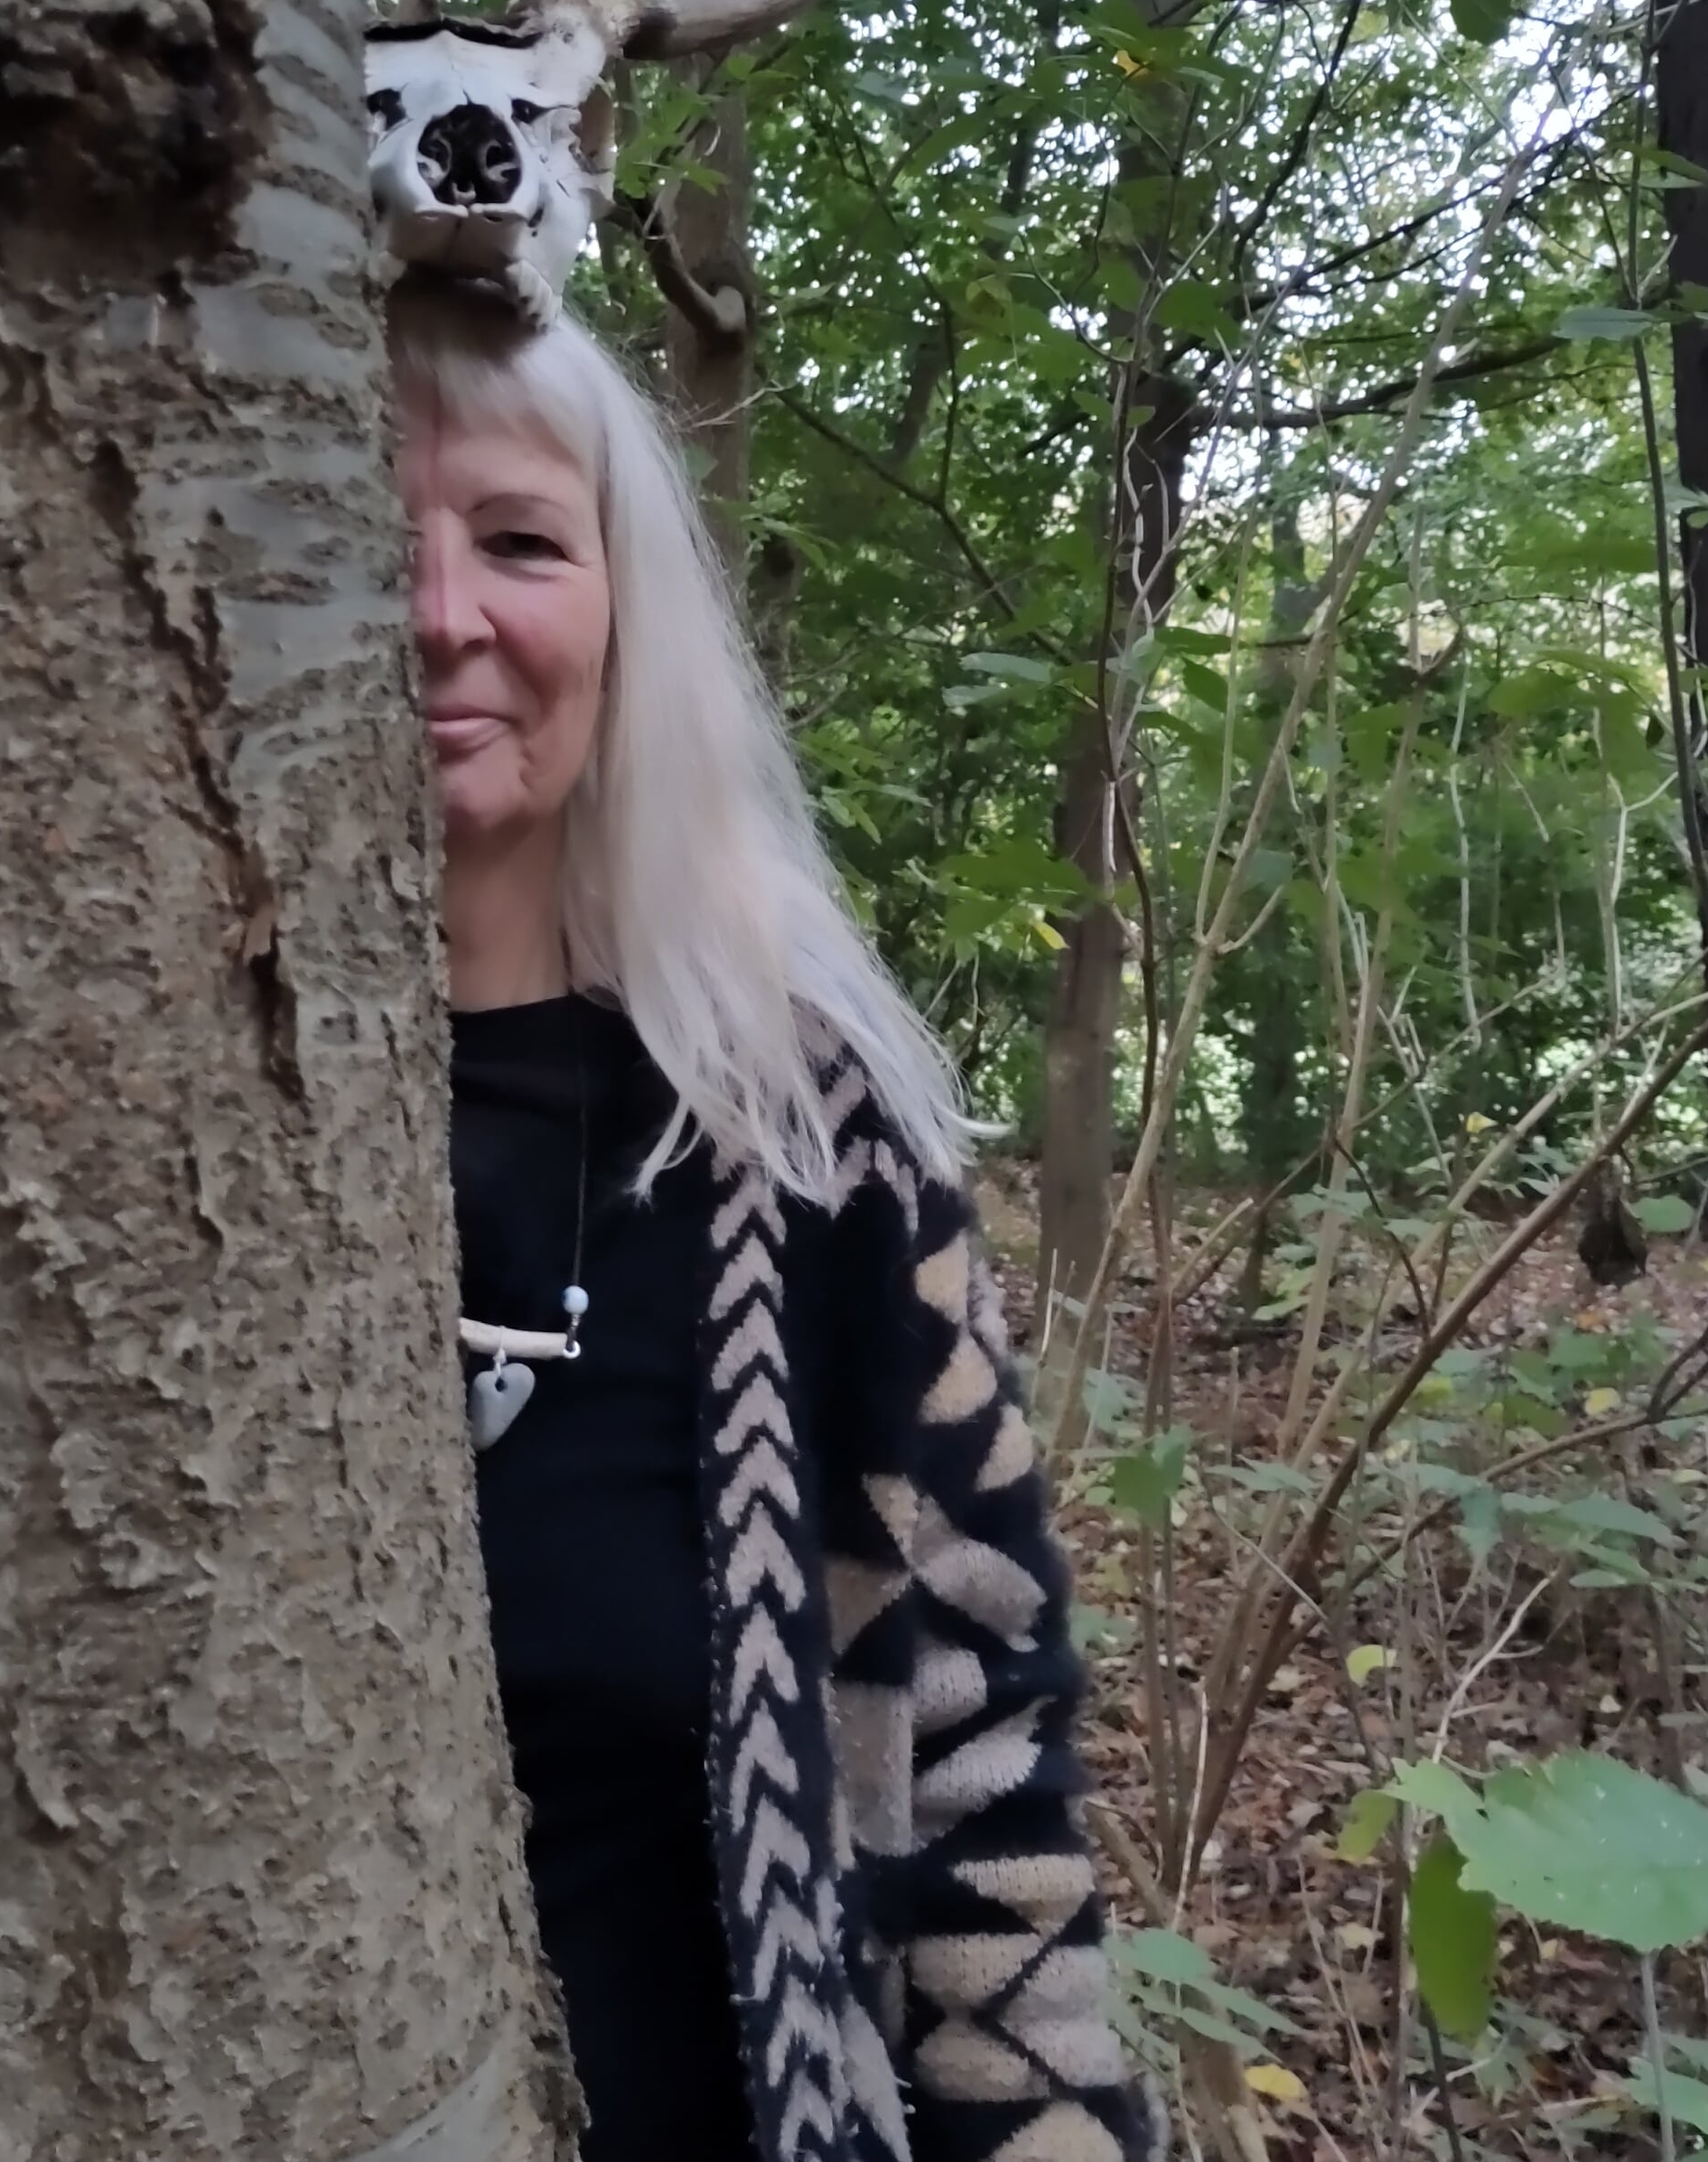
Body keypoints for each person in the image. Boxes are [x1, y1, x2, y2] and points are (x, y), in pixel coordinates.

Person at [391, 275, 1160, 2162]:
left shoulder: (806, 1146)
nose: (435, 614)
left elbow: (984, 1778)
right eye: (352, 535)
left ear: (629, 618)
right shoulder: (127, 1128)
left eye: (516, 540)